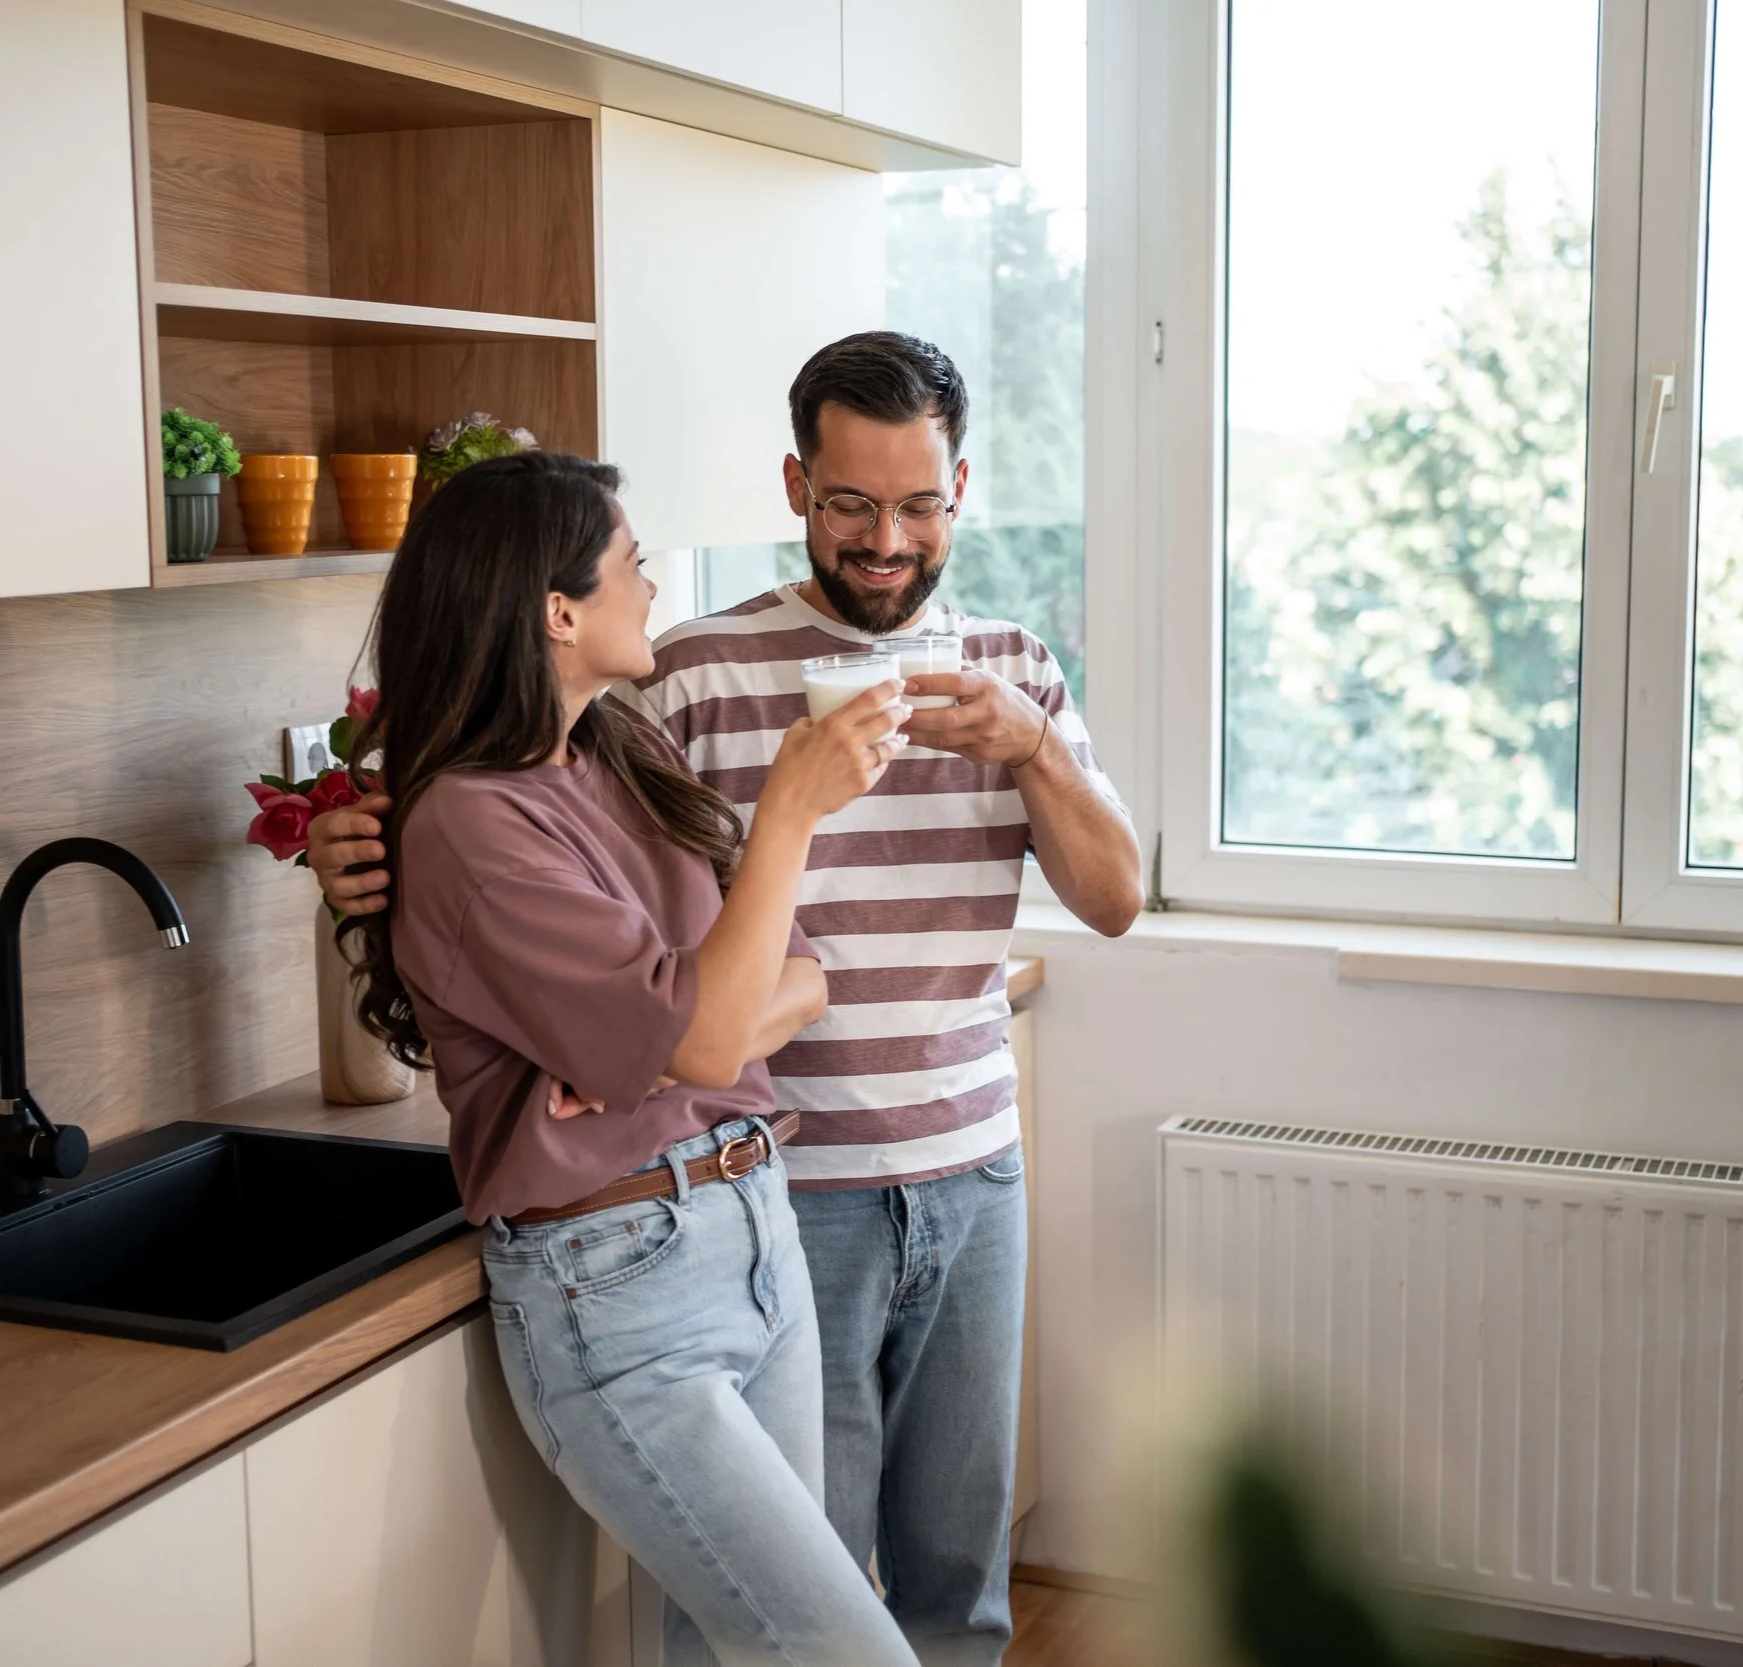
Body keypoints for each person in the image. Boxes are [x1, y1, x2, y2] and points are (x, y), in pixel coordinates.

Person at [317, 334, 1144, 1665]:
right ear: (797, 485)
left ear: (960, 489)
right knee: (793, 1616)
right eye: (851, 502)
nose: (885, 538)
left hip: (951, 1171)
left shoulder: (1011, 667)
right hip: (779, 1186)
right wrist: (363, 838)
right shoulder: (680, 677)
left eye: (918, 503)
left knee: (951, 1584)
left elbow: (1114, 897)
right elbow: (508, 814)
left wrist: (1035, 743)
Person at [345, 448, 921, 1667]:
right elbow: (721, 1021)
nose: (651, 587)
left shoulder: (617, 756)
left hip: (753, 1223)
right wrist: (785, 821)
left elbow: (801, 974)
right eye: (632, 565)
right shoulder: (472, 822)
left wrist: (656, 1049)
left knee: (737, 1650)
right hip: (619, 1286)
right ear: (557, 609)